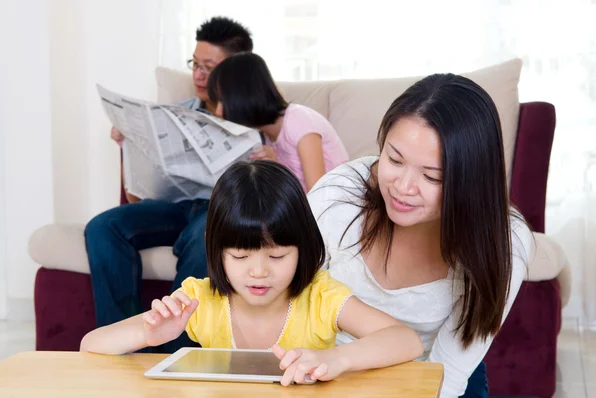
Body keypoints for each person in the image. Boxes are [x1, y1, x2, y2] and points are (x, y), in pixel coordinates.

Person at [80, 160, 424, 386]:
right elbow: (91, 345)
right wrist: (150, 335)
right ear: (215, 250)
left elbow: (406, 340)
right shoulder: (202, 299)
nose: (259, 272)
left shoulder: (320, 297)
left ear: (303, 248)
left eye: (277, 255)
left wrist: (337, 358)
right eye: (240, 255)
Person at [307, 74, 532, 398]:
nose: (403, 187)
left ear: (471, 180)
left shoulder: (504, 241)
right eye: (394, 159)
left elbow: (448, 372)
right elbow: (288, 306)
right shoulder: (339, 197)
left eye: (432, 176)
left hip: (430, 374)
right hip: (325, 365)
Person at [84, 17, 253, 353]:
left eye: (211, 66)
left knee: (204, 236)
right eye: (196, 64)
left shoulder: (251, 118)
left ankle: (172, 351)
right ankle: (123, 341)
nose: (200, 75)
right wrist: (127, 148)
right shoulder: (176, 114)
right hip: (175, 206)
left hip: (217, 210)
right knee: (102, 227)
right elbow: (135, 197)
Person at [207, 52, 349, 192]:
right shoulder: (266, 135)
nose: (218, 111)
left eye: (222, 100)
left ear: (245, 95)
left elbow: (318, 197)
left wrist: (277, 167)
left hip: (331, 207)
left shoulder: (299, 121)